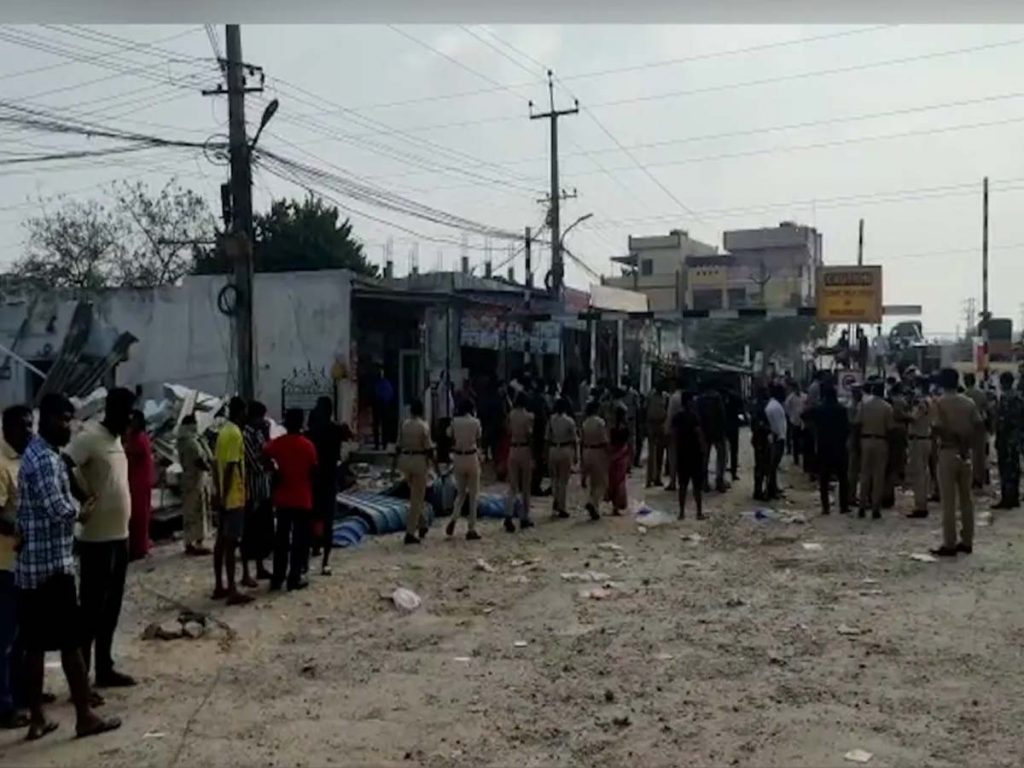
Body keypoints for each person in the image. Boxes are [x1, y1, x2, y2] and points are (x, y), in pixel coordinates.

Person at [16, 393, 120, 741]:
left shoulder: (36, 454)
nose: (69, 427)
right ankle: (84, 716)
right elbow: (56, 508)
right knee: (71, 644)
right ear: (48, 419)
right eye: (64, 420)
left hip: (32, 567)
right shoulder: (46, 459)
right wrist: (82, 512)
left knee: (33, 646)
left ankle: (37, 719)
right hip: (52, 568)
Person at [66, 386, 136, 688]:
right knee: (91, 611)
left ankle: (104, 669)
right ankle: (81, 681)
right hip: (97, 540)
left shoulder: (116, 439)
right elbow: (63, 465)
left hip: (120, 537)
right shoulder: (89, 438)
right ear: (114, 411)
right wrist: (83, 497)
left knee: (111, 609)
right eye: (127, 414)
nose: (130, 421)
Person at [0, 405, 32, 730]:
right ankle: (4, 705)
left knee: (22, 635)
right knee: (5, 638)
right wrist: (22, 532)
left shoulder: (21, 460)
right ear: (8, 428)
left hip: (21, 564)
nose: (29, 432)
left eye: (30, 425)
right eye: (24, 427)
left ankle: (23, 693)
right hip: (4, 563)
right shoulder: (0, 463)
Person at [264, 409, 318, 590]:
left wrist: (274, 471)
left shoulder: (278, 444)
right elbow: (313, 472)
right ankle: (294, 578)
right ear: (301, 423)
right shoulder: (308, 446)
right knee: (299, 541)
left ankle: (277, 578)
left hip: (283, 498)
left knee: (281, 540)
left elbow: (263, 454)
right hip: (303, 498)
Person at [932, 368, 983, 557]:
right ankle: (967, 540)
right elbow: (979, 426)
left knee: (948, 501)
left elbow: (936, 427)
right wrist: (968, 445)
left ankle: (949, 543)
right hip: (965, 453)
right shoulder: (968, 403)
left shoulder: (939, 403)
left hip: (947, 451)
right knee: (966, 499)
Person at [212, 396, 252, 605]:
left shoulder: (222, 433)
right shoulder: (235, 434)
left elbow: (215, 463)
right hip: (234, 496)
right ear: (240, 412)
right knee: (231, 542)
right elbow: (231, 467)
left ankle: (220, 585)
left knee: (221, 542)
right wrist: (225, 494)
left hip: (224, 494)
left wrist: (217, 491)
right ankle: (232, 590)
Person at [307, 397, 344, 574]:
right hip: (329, 478)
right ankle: (325, 562)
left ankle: (314, 547)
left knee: (313, 517)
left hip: (314, 479)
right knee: (328, 520)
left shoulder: (312, 432)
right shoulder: (336, 429)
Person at [241, 401, 273, 587]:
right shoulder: (245, 435)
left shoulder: (260, 433)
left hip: (264, 488)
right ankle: (246, 572)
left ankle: (260, 567)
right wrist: (266, 462)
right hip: (252, 491)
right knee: (249, 533)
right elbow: (256, 464)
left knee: (262, 532)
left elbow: (269, 451)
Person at [805, 383, 850, 515]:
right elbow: (848, 428)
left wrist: (814, 430)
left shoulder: (819, 409)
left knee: (824, 479)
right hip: (840, 447)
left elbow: (804, 414)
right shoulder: (842, 410)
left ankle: (825, 507)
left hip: (823, 447)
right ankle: (843, 506)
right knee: (843, 478)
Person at [855, 379, 895, 520]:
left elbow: (857, 424)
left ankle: (862, 505)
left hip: (865, 440)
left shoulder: (863, 405)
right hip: (881, 441)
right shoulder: (887, 407)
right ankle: (875, 507)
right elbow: (890, 428)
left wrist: (857, 443)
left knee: (865, 474)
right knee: (879, 476)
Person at [396, 398, 434, 545]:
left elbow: (398, 446)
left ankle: (423, 524)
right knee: (417, 498)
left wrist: (394, 467)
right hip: (419, 461)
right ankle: (410, 532)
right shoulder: (423, 426)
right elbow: (428, 448)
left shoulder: (404, 424)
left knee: (415, 495)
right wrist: (435, 466)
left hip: (405, 461)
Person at [446, 399, 483, 540]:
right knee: (473, 495)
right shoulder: (475, 422)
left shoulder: (454, 422)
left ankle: (454, 517)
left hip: (458, 457)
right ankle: (471, 528)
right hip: (471, 456)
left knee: (460, 493)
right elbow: (479, 439)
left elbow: (449, 435)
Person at [176, 413, 213, 555]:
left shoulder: (186, 440)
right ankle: (193, 542)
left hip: (193, 479)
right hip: (194, 479)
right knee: (194, 511)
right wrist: (211, 468)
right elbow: (200, 460)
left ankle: (194, 541)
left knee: (194, 510)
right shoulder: (190, 442)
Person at [122, 409, 155, 561]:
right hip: (133, 480)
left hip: (139, 482)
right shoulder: (134, 436)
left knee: (140, 515)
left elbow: (129, 451)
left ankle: (140, 547)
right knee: (134, 516)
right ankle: (136, 546)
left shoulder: (140, 438)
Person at [672, 391, 706, 520]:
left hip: (682, 453)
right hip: (694, 453)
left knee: (683, 484)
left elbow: (674, 434)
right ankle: (699, 512)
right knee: (697, 485)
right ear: (689, 402)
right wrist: (703, 448)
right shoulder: (694, 416)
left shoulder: (677, 417)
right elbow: (698, 433)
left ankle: (681, 512)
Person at [504, 392, 535, 532]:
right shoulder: (529, 416)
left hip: (513, 448)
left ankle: (508, 514)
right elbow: (529, 435)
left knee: (512, 486)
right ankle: (524, 517)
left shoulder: (510, 415)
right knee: (526, 486)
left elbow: (507, 430)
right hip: (524, 448)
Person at [993, 371, 1023, 509]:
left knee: (1006, 469)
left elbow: (1002, 421)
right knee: (1015, 468)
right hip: (1016, 438)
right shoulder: (1019, 397)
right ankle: (1014, 497)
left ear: (1002, 383)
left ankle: (1007, 499)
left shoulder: (1006, 398)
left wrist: (998, 436)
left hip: (1006, 439)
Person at [546, 397, 577, 520]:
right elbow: (574, 440)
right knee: (563, 481)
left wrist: (545, 454)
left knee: (554, 479)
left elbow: (547, 438)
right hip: (565, 449)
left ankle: (556, 500)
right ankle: (562, 507)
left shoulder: (551, 420)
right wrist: (576, 456)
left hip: (553, 449)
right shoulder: (569, 421)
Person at [906, 380, 934, 518]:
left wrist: (902, 413)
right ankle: (923, 501)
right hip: (925, 438)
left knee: (919, 474)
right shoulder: (930, 401)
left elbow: (914, 418)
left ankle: (920, 505)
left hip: (918, 439)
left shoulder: (922, 402)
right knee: (924, 472)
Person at [696, 380, 727, 493]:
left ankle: (704, 482)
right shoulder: (717, 397)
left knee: (704, 458)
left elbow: (698, 416)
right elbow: (722, 414)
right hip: (718, 432)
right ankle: (719, 481)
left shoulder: (700, 399)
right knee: (721, 456)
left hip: (705, 431)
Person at [580, 400, 609, 521]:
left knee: (592, 483)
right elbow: (604, 440)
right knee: (602, 482)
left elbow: (581, 440)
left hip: (586, 451)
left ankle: (595, 508)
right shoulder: (600, 422)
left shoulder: (585, 423)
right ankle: (592, 502)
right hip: (598, 451)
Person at [883, 383, 910, 508]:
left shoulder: (889, 400)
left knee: (889, 466)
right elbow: (898, 415)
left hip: (891, 434)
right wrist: (911, 417)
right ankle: (888, 495)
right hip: (897, 434)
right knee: (894, 465)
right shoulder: (898, 401)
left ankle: (886, 494)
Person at [963, 373, 990, 488]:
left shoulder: (964, 395)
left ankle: (971, 477)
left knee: (968, 453)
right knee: (980, 453)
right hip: (980, 425)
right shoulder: (981, 393)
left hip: (968, 425)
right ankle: (980, 477)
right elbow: (987, 409)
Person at [607, 404, 631, 516]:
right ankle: (617, 505)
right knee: (620, 481)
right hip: (622, 456)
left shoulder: (612, 428)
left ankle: (614, 505)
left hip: (613, 456)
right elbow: (628, 443)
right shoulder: (625, 428)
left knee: (613, 481)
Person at [765, 384, 788, 499]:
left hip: (777, 437)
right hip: (778, 438)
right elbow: (777, 425)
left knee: (773, 466)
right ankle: (772, 489)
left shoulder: (773, 405)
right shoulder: (775, 407)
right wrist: (779, 436)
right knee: (773, 465)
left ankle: (773, 487)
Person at [644, 385, 668, 488]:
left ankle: (658, 477)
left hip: (661, 424)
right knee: (651, 454)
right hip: (651, 424)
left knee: (660, 453)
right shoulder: (650, 395)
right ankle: (649, 479)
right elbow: (644, 409)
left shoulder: (665, 396)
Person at [751, 388, 772, 501]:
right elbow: (760, 425)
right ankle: (762, 491)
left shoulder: (756, 406)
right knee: (764, 466)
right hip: (762, 439)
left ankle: (758, 489)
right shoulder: (763, 408)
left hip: (757, 439)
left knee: (759, 465)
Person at [663, 379, 684, 491]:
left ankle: (672, 482)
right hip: (684, 430)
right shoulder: (686, 397)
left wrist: (666, 430)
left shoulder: (674, 398)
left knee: (673, 457)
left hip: (674, 430)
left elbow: (670, 415)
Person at [847, 383, 863, 507]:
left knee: (855, 471)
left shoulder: (856, 405)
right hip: (854, 440)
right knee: (853, 471)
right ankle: (850, 496)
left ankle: (852, 495)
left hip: (855, 440)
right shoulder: (853, 406)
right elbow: (854, 424)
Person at [723, 387, 744, 481]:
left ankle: (723, 472)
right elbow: (741, 412)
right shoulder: (737, 397)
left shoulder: (722, 398)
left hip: (724, 426)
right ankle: (733, 472)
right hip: (734, 426)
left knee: (723, 451)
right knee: (734, 450)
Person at [372, 365, 394, 450]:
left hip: (379, 405)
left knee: (378, 426)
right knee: (384, 426)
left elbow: (375, 393)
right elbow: (390, 394)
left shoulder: (377, 383)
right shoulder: (386, 383)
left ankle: (378, 444)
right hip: (384, 406)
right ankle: (383, 444)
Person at [784, 383, 805, 466]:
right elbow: (786, 408)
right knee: (795, 441)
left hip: (803, 421)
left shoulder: (804, 396)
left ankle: (802, 456)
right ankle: (796, 459)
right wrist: (791, 415)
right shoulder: (790, 398)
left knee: (803, 440)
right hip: (794, 421)